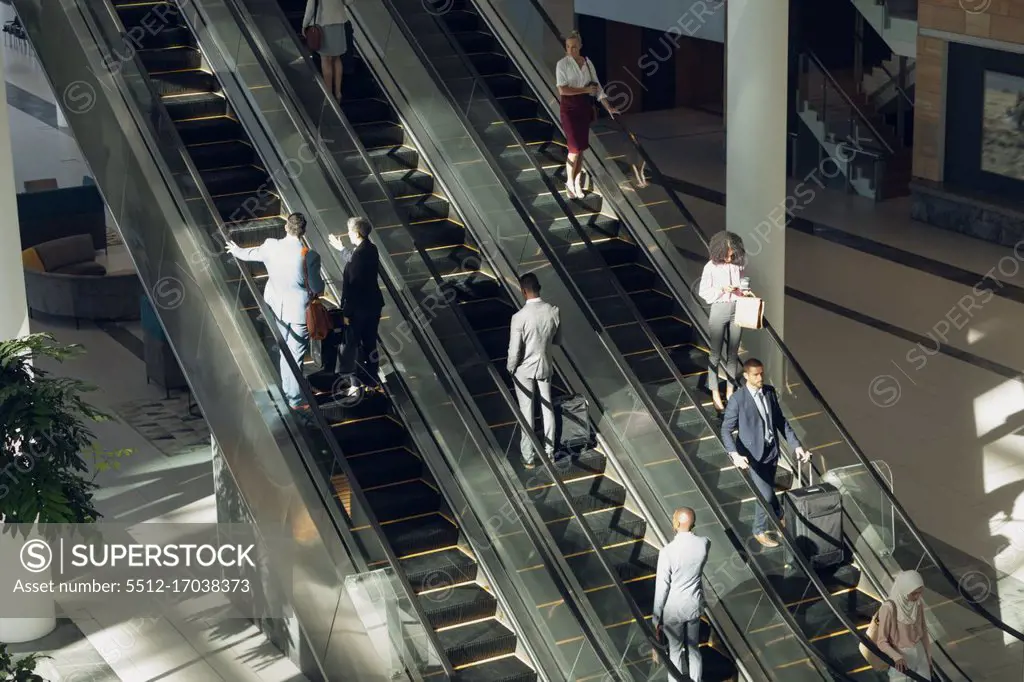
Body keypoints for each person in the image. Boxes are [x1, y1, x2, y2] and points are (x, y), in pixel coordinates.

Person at [226, 213, 324, 409]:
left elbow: (249, 255)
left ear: (286, 227)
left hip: (276, 307)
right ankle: (295, 399)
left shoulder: (271, 245)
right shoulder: (310, 256)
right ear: (304, 231)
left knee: (285, 351)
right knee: (295, 355)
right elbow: (317, 287)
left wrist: (235, 249)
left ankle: (290, 390)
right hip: (298, 312)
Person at [721, 358, 811, 548]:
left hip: (771, 451)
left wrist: (796, 445)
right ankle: (761, 528)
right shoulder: (738, 399)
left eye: (761, 373)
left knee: (766, 491)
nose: (760, 377)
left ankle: (777, 516)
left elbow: (780, 421)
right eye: (756, 374)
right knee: (767, 495)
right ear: (746, 376)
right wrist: (735, 455)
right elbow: (726, 429)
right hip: (752, 456)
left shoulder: (769, 392)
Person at [507, 273, 561, 468]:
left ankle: (528, 456)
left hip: (524, 369)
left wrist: (511, 368)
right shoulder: (553, 311)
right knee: (548, 409)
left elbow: (514, 351)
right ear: (540, 288)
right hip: (545, 364)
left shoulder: (518, 317)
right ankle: (549, 453)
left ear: (523, 291)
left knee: (526, 412)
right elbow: (558, 340)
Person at [556, 30, 618, 200]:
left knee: (581, 148)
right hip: (569, 109)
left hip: (583, 108)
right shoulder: (562, 64)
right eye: (568, 47)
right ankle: (569, 182)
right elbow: (563, 89)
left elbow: (597, 87)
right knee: (574, 148)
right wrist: (585, 89)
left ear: (580, 46)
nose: (570, 50)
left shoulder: (588, 64)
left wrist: (608, 107)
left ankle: (576, 182)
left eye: (574, 47)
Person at [652, 507, 709, 682]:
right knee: (694, 648)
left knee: (675, 650)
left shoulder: (667, 552)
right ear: (694, 522)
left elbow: (662, 587)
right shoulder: (704, 543)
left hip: (673, 609)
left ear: (675, 523)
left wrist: (655, 619)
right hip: (693, 605)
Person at [328, 216, 383, 396]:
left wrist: (346, 312)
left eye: (350, 231)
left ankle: (354, 384)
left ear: (357, 233)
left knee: (350, 346)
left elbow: (352, 286)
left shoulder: (359, 256)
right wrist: (341, 248)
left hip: (357, 309)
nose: (348, 234)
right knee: (369, 342)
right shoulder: (370, 249)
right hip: (373, 305)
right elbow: (354, 258)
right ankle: (372, 380)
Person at [698, 231, 752, 412]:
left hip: (737, 309)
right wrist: (722, 288)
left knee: (733, 353)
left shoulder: (737, 266)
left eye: (732, 253)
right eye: (728, 253)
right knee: (714, 353)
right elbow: (704, 292)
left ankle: (730, 390)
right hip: (719, 309)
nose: (730, 256)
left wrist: (742, 290)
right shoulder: (710, 267)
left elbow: (741, 284)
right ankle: (714, 392)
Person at [876, 570, 933, 680]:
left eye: (920, 592)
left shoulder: (918, 604)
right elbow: (881, 641)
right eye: (914, 593)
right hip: (901, 656)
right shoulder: (889, 608)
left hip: (920, 652)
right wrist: (897, 657)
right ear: (904, 589)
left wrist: (929, 658)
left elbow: (924, 632)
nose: (917, 596)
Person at [303, 0, 350, 102]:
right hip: (339, 22)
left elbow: (311, 7)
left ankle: (329, 94)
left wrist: (305, 24)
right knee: (337, 58)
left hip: (322, 23)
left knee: (325, 59)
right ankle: (338, 93)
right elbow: (348, 1)